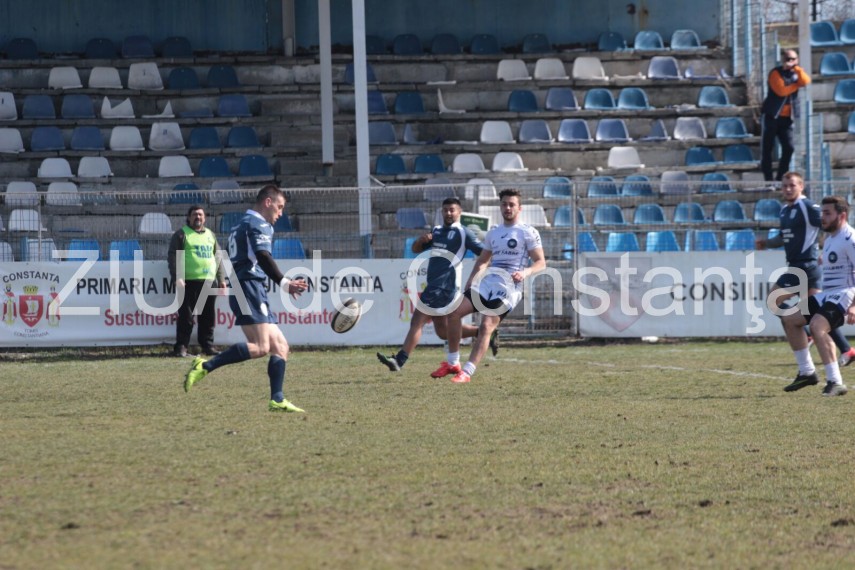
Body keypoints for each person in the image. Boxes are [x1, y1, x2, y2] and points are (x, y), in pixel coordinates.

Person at [184, 185, 309, 412]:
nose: (280, 214)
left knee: (280, 346)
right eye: (279, 208)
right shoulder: (258, 224)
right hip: (248, 286)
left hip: (246, 286)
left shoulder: (240, 224)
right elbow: (262, 256)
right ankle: (206, 365)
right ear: (267, 203)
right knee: (261, 347)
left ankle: (277, 399)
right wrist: (284, 282)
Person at [376, 197, 498, 376]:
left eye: (452, 210)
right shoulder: (437, 230)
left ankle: (399, 360)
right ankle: (483, 332)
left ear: (459, 212)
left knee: (417, 320)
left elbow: (485, 254)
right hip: (434, 284)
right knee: (442, 332)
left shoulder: (464, 233)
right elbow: (417, 249)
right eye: (446, 210)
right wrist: (421, 240)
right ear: (441, 212)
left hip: (444, 286)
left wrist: (487, 271)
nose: (449, 213)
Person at [443, 188, 546, 384]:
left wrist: (525, 272)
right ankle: (452, 362)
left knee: (486, 325)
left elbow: (541, 262)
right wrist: (471, 280)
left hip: (509, 287)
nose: (507, 208)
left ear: (519, 208)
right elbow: (483, 260)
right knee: (453, 313)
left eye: (511, 204)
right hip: (487, 282)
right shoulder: (494, 233)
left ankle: (466, 372)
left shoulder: (528, 232)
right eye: (504, 204)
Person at [756, 172, 855, 365]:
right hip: (798, 266)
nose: (787, 189)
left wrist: (830, 247)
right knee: (820, 313)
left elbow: (832, 226)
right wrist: (766, 243)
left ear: (801, 186)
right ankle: (846, 350)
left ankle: (808, 334)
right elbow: (783, 237)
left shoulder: (807, 205)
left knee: (773, 300)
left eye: (792, 185)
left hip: (805, 266)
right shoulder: (785, 210)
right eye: (784, 185)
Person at [780, 195, 855, 396]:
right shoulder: (830, 238)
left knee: (817, 326)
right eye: (822, 212)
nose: (822, 217)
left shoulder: (850, 238)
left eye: (827, 213)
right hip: (829, 294)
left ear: (842, 215)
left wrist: (854, 306)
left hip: (845, 293)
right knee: (789, 318)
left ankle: (835, 381)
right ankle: (807, 372)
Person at [168, 205, 226, 357]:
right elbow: (173, 257)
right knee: (186, 317)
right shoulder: (181, 235)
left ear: (205, 218)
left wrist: (221, 279)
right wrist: (177, 278)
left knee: (207, 317)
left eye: (200, 215)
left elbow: (218, 258)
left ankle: (207, 346)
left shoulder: (211, 235)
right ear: (189, 217)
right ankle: (181, 347)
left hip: (208, 282)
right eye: (194, 215)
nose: (198, 217)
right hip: (188, 282)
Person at [760, 48, 811, 182]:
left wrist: (798, 70)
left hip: (787, 118)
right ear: (783, 60)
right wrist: (796, 85)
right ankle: (768, 180)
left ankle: (780, 178)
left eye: (793, 59)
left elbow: (805, 81)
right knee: (768, 149)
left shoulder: (796, 73)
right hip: (772, 116)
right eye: (788, 59)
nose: (790, 62)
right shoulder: (775, 73)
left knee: (789, 148)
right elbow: (781, 91)